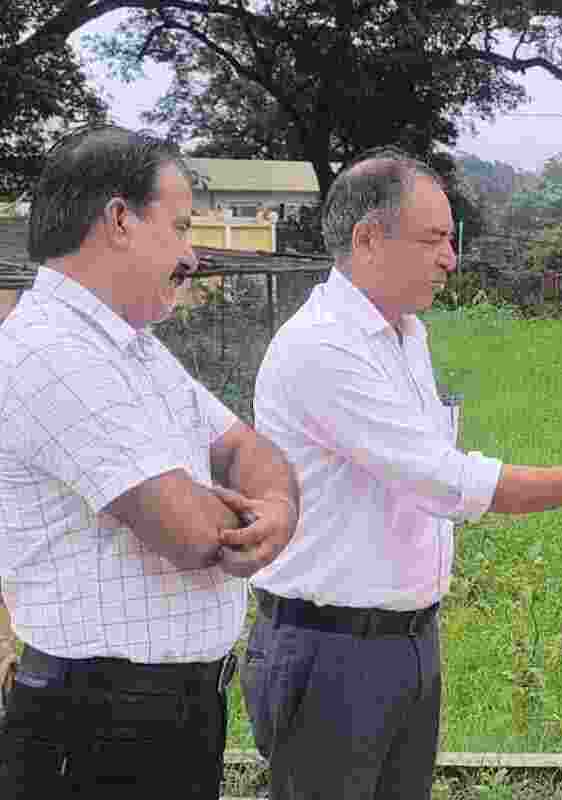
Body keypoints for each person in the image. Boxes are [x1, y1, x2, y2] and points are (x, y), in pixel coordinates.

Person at [243, 146, 562, 800]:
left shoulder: (406, 336)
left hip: (404, 642)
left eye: (451, 240)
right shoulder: (323, 348)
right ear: (368, 239)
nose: (450, 259)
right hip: (331, 651)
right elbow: (446, 482)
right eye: (434, 239)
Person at [0, 125, 300, 797]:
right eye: (181, 226)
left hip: (165, 716)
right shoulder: (51, 352)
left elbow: (245, 448)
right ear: (118, 220)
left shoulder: (132, 349)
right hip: (99, 726)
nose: (191, 254)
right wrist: (255, 515)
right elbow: (190, 533)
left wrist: (275, 507)